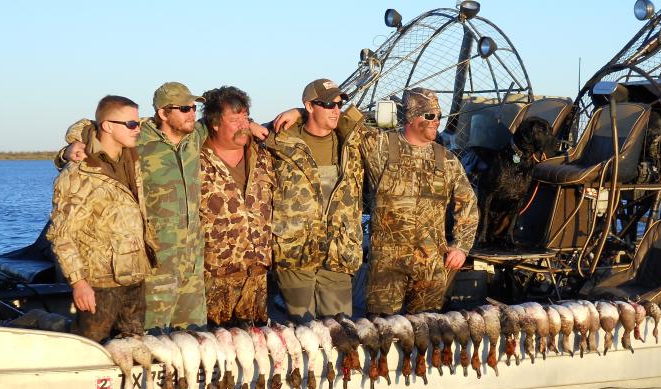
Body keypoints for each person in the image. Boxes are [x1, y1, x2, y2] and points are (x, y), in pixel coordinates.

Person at [59, 82, 268, 330]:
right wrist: (70, 147)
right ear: (163, 113)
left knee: (194, 335)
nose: (192, 114)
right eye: (184, 108)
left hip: (192, 262)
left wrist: (252, 124)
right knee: (154, 335)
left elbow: (230, 121)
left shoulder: (195, 135)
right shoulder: (140, 138)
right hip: (158, 263)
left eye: (193, 108)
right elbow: (96, 127)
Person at [359, 88, 478, 314]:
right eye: (430, 116)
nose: (437, 121)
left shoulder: (447, 160)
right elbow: (341, 124)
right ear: (412, 117)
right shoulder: (380, 147)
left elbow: (468, 204)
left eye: (439, 116)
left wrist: (461, 247)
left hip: (430, 265)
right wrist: (299, 113)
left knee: (427, 328)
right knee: (382, 328)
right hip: (386, 266)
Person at [47, 95, 156, 342]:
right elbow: (61, 235)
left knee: (132, 346)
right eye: (131, 124)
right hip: (100, 282)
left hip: (135, 275)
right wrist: (79, 283)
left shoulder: (131, 158)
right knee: (90, 345)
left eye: (138, 123)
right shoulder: (80, 174)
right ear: (107, 126)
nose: (137, 129)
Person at [264, 79, 365, 322]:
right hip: (296, 253)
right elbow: (235, 128)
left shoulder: (351, 140)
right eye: (329, 104)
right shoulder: (281, 140)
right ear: (310, 106)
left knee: (340, 328)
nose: (336, 110)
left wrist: (298, 112)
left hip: (338, 253)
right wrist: (298, 113)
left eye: (339, 104)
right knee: (302, 328)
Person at [199, 86, 273, 326]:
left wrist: (297, 112)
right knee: (215, 345)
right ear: (214, 124)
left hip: (257, 280)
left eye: (246, 117)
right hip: (214, 281)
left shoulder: (263, 156)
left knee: (257, 344)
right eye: (234, 120)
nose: (243, 125)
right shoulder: (194, 160)